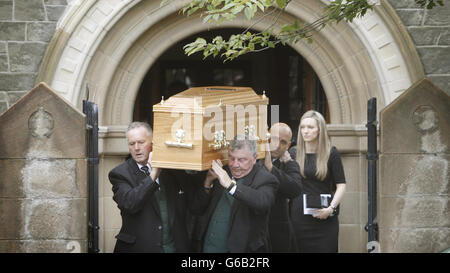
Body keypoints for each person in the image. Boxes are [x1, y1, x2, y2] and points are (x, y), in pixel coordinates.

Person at [108, 122, 193, 252]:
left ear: (153, 142)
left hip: (173, 247)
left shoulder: (170, 168)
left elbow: (193, 200)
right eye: (132, 144)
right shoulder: (119, 174)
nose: (136, 148)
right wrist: (153, 175)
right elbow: (130, 203)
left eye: (141, 142)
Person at [191, 135, 279, 253]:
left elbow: (262, 202)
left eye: (242, 160)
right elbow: (197, 209)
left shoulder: (266, 179)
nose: (234, 164)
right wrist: (208, 182)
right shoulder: (222, 171)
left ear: (254, 158)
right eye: (231, 158)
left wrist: (231, 186)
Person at [290, 110, 346, 253]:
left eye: (310, 127)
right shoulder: (293, 153)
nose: (305, 131)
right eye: (302, 127)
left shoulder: (331, 153)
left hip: (325, 216)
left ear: (320, 130)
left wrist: (331, 209)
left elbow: (341, 185)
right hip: (299, 217)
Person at [263, 123, 302, 252]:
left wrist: (271, 168)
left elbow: (295, 189)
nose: (277, 145)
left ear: (288, 146)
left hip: (277, 234)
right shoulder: (253, 158)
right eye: (273, 139)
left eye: (283, 142)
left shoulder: (290, 164)